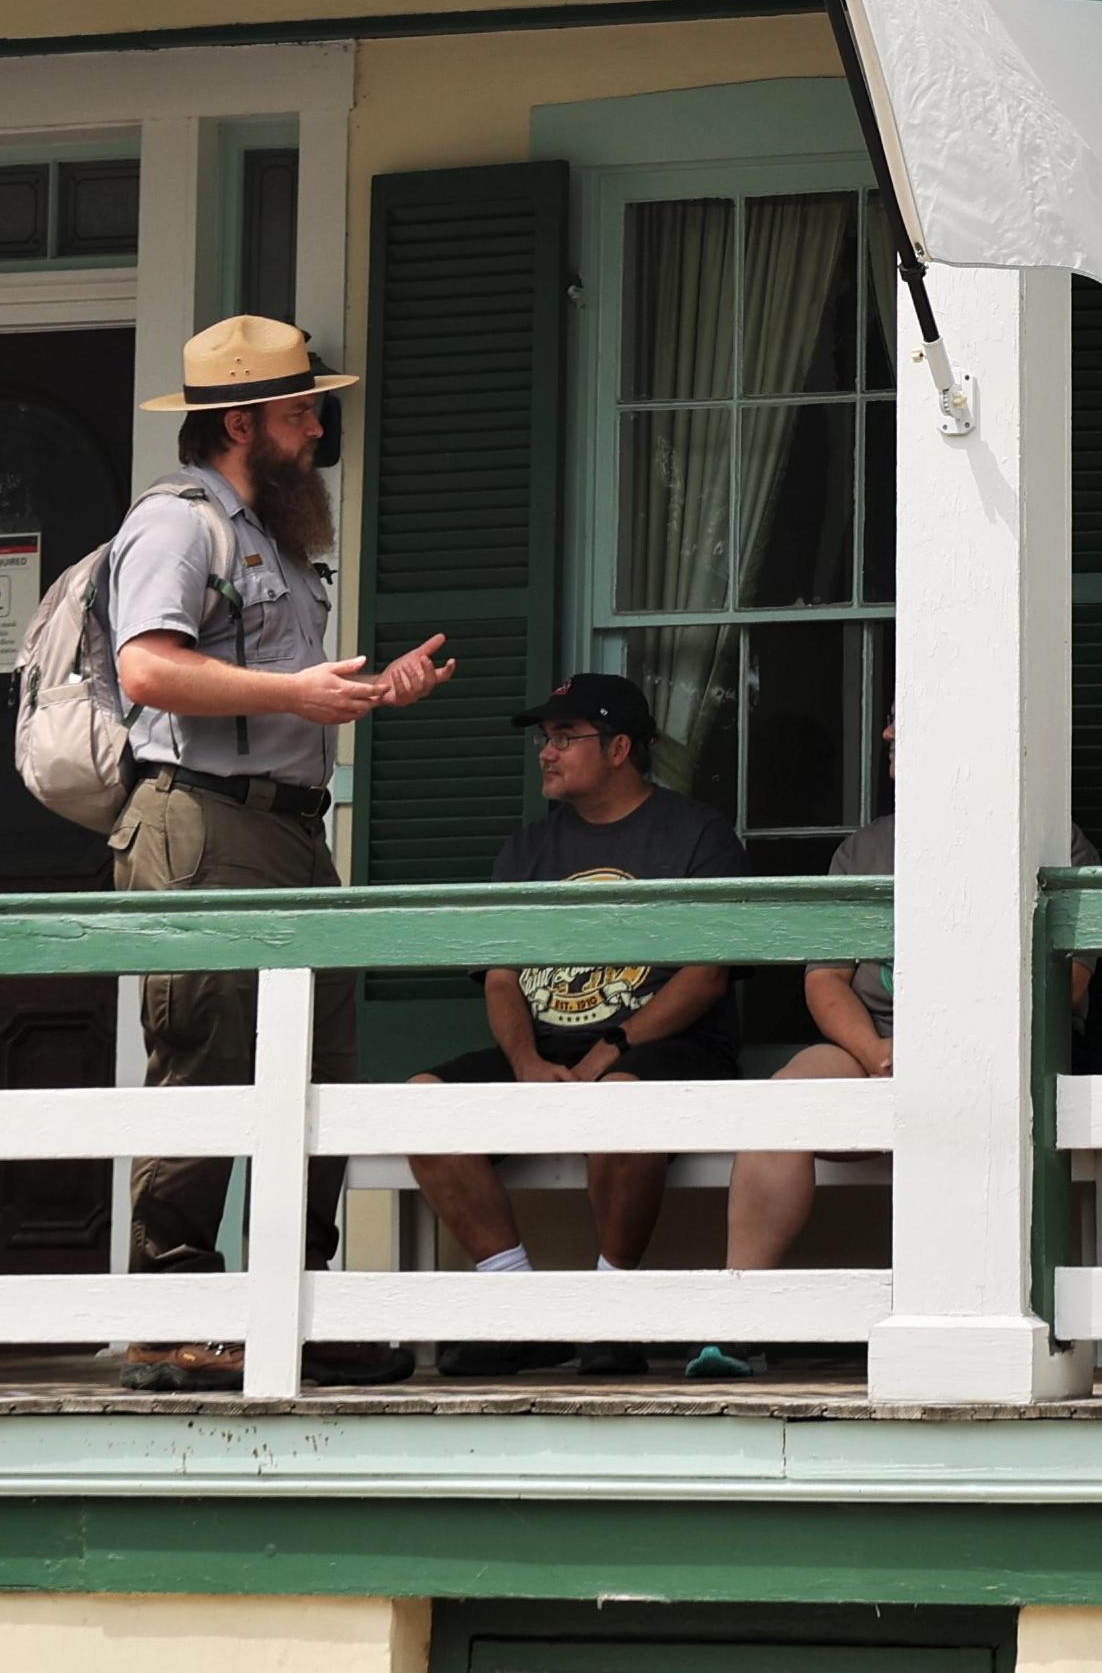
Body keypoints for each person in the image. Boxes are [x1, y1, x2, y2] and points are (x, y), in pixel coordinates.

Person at [109, 314, 454, 1394]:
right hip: (201, 818)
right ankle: (172, 1319)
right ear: (241, 420)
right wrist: (296, 691)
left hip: (291, 825)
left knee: (317, 1065)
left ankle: (289, 1311)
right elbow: (149, 670)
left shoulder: (272, 536)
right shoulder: (176, 526)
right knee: (204, 1053)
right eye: (302, 406)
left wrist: (361, 693)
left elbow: (279, 700)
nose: (318, 424)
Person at [686, 711, 1099, 1382]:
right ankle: (741, 1322)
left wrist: (942, 1048)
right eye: (886, 724)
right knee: (786, 1099)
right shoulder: (865, 851)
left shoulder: (1056, 845)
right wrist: (880, 1055)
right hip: (874, 1048)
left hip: (995, 1054)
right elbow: (825, 979)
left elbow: (1065, 983)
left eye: (906, 721)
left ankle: (974, 1336)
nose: (884, 736)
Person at [407, 673, 747, 1381]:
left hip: (667, 1050)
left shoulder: (696, 835)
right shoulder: (527, 849)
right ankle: (519, 1310)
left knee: (621, 1099)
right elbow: (501, 975)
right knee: (421, 1102)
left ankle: (609, 1309)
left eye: (566, 737)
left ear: (620, 747)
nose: (547, 753)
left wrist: (613, 1047)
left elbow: (707, 973)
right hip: (552, 1050)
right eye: (545, 739)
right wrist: (526, 1060)